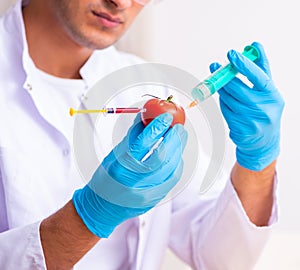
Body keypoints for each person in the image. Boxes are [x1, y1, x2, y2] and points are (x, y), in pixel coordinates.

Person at [0, 0, 284, 269]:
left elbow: (220, 258)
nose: (122, 3)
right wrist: (87, 218)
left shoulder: (144, 85)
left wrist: (257, 161)